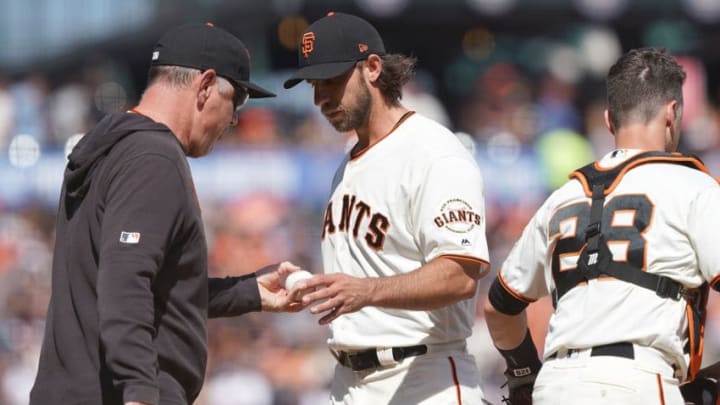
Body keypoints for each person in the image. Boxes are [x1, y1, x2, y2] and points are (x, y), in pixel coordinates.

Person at [30, 23, 306, 405]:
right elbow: (127, 283)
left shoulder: (114, 145)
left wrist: (248, 292)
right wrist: (141, 392)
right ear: (206, 85)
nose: (234, 120)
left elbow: (154, 286)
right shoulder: (153, 157)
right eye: (237, 99)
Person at [484, 47, 720, 405]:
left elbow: (499, 307)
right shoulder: (696, 188)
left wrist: (522, 375)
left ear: (609, 120)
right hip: (639, 380)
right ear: (673, 114)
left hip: (555, 385)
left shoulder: (562, 196)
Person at [284, 12, 491, 405]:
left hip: (425, 380)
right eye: (314, 84)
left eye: (331, 80)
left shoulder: (433, 152)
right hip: (349, 382)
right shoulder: (348, 162)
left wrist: (367, 292)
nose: (320, 98)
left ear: (373, 69)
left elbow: (460, 274)